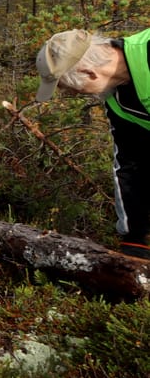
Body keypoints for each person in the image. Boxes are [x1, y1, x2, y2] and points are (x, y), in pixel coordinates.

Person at [35, 28, 150, 260]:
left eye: (72, 90)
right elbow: (129, 164)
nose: (74, 95)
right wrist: (134, 238)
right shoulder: (117, 100)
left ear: (89, 72)